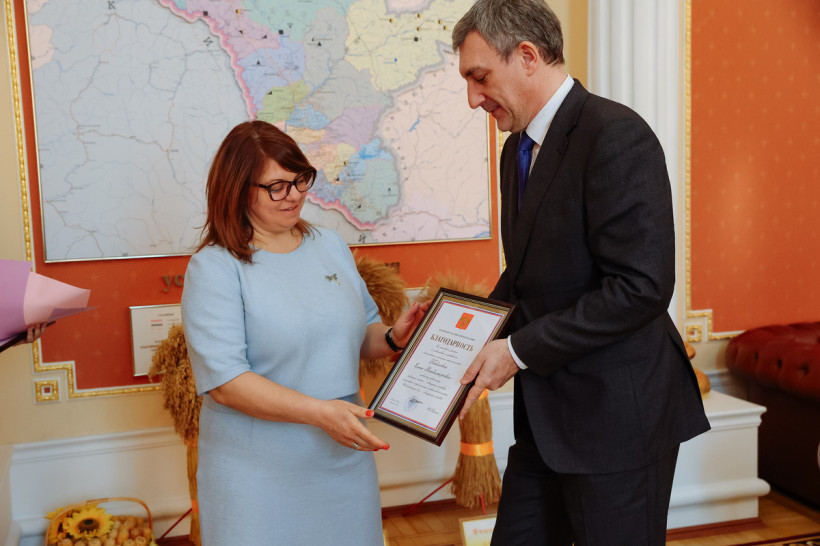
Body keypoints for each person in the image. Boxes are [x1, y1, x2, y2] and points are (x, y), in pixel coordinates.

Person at [451, 1, 710, 544]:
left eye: (480, 77)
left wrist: (515, 351)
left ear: (527, 56)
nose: (473, 98)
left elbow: (640, 288)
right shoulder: (516, 150)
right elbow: (525, 275)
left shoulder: (615, 134)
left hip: (618, 422)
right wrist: (453, 332)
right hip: (545, 422)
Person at [181, 120, 428, 545]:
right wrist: (320, 413)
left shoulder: (329, 245)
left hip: (342, 455)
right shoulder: (214, 268)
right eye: (276, 187)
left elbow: (359, 335)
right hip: (257, 472)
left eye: (300, 180)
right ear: (238, 190)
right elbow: (225, 383)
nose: (294, 194)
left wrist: (392, 337)